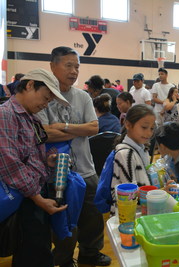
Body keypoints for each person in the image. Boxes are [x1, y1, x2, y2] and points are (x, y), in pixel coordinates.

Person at [37, 46, 111, 267]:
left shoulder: (83, 97)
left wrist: (64, 126)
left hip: (86, 168)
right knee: (64, 219)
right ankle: (65, 259)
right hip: (55, 172)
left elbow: (94, 128)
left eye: (77, 66)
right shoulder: (44, 95)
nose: (74, 71)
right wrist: (76, 128)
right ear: (52, 66)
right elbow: (43, 133)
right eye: (68, 65)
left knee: (93, 215)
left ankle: (90, 252)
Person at [0, 68, 69, 267]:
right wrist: (39, 200)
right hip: (23, 199)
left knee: (38, 250)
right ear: (30, 85)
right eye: (45, 98)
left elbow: (28, 154)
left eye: (49, 102)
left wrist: (47, 162)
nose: (45, 104)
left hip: (33, 195)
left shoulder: (31, 118)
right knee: (32, 255)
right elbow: (9, 163)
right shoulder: (6, 115)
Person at [112, 104, 155, 197]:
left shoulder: (143, 149)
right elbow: (130, 194)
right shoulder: (125, 154)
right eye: (144, 127)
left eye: (152, 128)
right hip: (129, 210)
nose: (149, 133)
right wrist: (160, 192)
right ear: (128, 125)